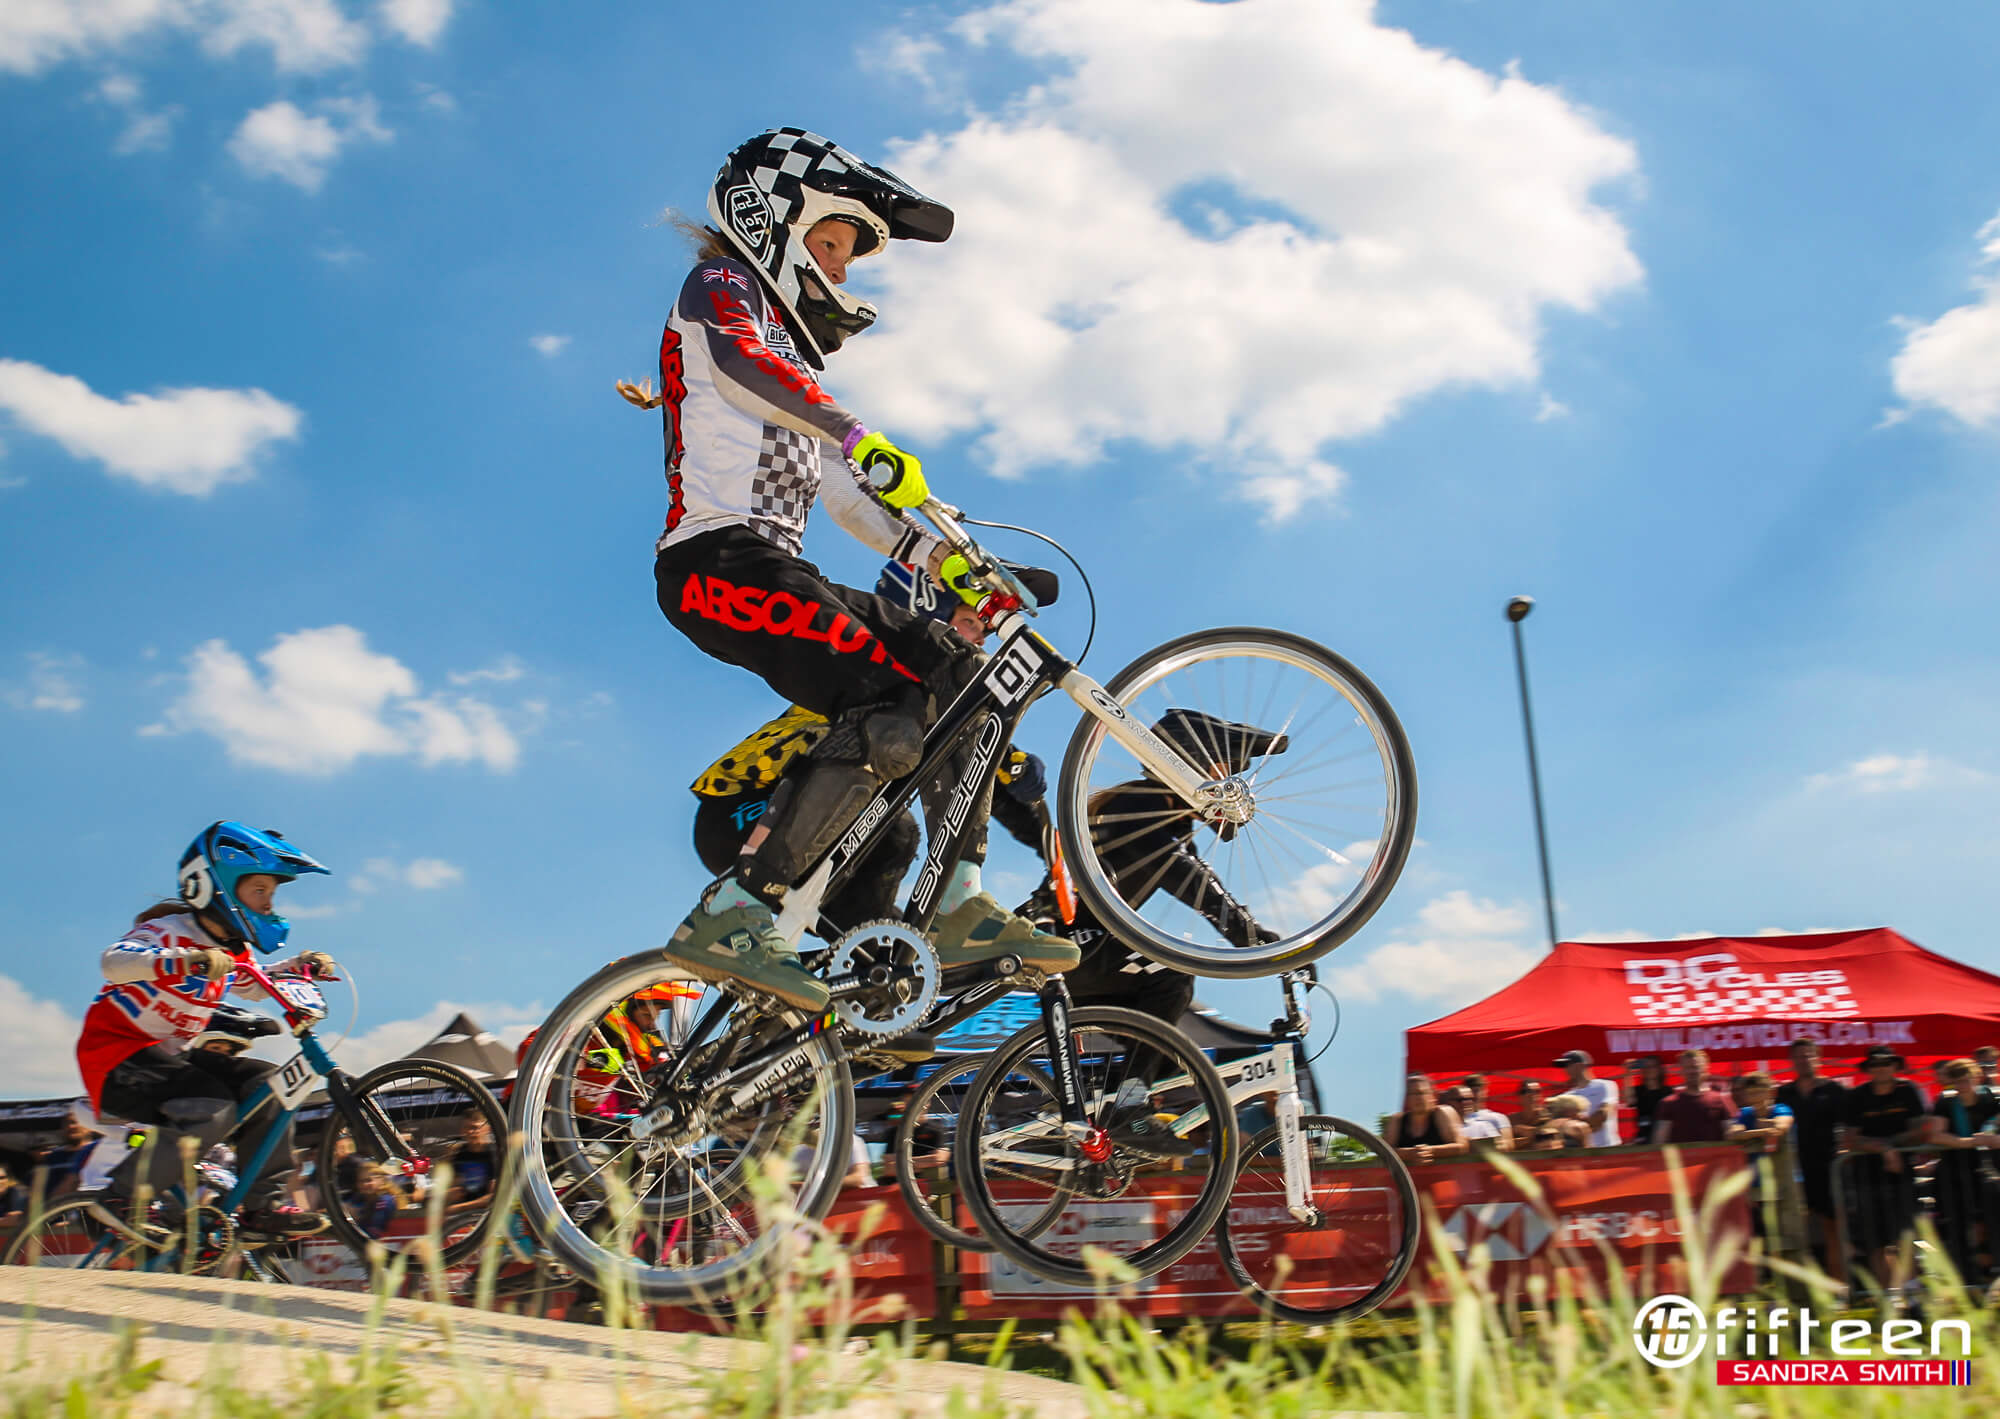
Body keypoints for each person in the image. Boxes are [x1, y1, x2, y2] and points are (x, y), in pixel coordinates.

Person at [631, 128, 1066, 1012]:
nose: (840, 267)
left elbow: (853, 501)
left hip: (768, 560)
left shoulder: (791, 364)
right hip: (713, 562)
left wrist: (957, 565)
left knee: (959, 674)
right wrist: (853, 429)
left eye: (849, 256)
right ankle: (737, 912)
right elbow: (738, 364)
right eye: (830, 243)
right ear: (772, 222)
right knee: (885, 702)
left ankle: (956, 899)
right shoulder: (719, 290)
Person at [73, 822, 335, 1236]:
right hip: (114, 1058)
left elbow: (252, 982)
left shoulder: (234, 952)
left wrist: (297, 966)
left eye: (272, 893)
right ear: (220, 889)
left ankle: (262, 1207)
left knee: (269, 1083)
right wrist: (181, 960)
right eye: (259, 891)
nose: (269, 903)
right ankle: (121, 1197)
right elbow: (114, 961)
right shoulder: (169, 931)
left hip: (168, 1059)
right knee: (211, 1107)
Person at [1840, 1046, 1929, 1289]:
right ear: (1868, 1069)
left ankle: (1912, 1292)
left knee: (1906, 1235)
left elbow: (1920, 1130)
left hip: (1902, 1173)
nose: (1881, 1068)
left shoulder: (1908, 1090)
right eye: (1875, 1064)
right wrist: (1885, 1149)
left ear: (1895, 1066)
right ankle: (1888, 1296)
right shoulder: (1856, 1096)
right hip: (1866, 1175)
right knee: (1875, 1240)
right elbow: (1851, 1139)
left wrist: (1890, 1145)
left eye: (1886, 1063)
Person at [1922, 1057, 1999, 1284]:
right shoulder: (1945, 1102)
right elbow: (1936, 1135)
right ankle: (1966, 1277)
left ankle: (1990, 1273)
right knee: (1958, 1225)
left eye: (1967, 1079)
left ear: (1975, 1076)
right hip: (1954, 1173)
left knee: (1990, 1221)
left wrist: (1993, 1139)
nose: (1963, 1084)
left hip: (1990, 1170)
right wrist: (1968, 1142)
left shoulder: (1992, 1098)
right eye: (1957, 1080)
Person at [1776, 1037, 1847, 1262]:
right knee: (1797, 1233)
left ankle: (1840, 1291)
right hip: (1794, 1170)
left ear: (1818, 1059)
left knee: (1833, 1230)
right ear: (1791, 1061)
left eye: (1809, 1055)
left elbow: (1849, 1128)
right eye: (1799, 1056)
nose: (1804, 1060)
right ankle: (1804, 1292)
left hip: (1829, 1169)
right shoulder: (1783, 1093)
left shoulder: (1835, 1091)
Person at [1386, 1075, 1467, 1166]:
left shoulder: (1443, 1113)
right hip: (1407, 1178)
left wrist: (1430, 1151)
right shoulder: (1397, 1120)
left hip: (1445, 1176)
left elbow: (1462, 1146)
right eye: (1412, 1094)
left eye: (1421, 1093)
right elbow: (1385, 1152)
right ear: (1407, 1098)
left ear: (1433, 1096)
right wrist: (1411, 1154)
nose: (1417, 1098)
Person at [1554, 1049, 1621, 1146]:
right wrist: (1590, 1124)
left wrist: (1580, 1123)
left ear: (1579, 1066)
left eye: (1567, 1065)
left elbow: (1602, 1115)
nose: (1565, 1069)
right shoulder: (1566, 1096)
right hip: (1585, 1154)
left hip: (1609, 1149)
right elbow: (1567, 1128)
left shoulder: (1605, 1085)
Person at [1456, 1076, 1514, 1151]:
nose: (1472, 1095)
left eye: (1476, 1090)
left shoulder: (1498, 1117)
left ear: (1485, 1091)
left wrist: (1479, 1147)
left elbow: (1508, 1145)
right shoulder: (1457, 1118)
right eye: (1469, 1091)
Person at [1629, 1056, 1672, 1145]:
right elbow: (1629, 1100)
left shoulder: (1668, 1091)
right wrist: (1627, 1072)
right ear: (1642, 1070)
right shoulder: (1638, 1090)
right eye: (1646, 1066)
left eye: (1653, 1066)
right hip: (1643, 1137)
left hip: (1663, 1137)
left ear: (1659, 1069)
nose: (1650, 1069)